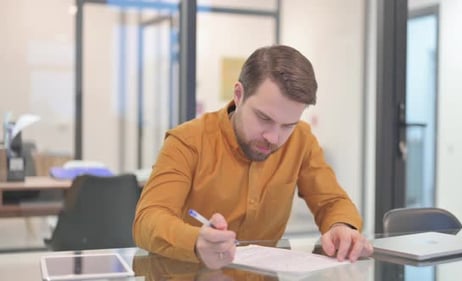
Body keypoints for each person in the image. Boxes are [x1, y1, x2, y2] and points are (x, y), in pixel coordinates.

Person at [133, 44, 373, 270]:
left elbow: (332, 201)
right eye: (264, 118)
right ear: (239, 95)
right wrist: (196, 241)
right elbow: (148, 220)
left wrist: (341, 226)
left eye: (287, 125)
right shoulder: (188, 141)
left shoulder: (301, 140)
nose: (273, 137)